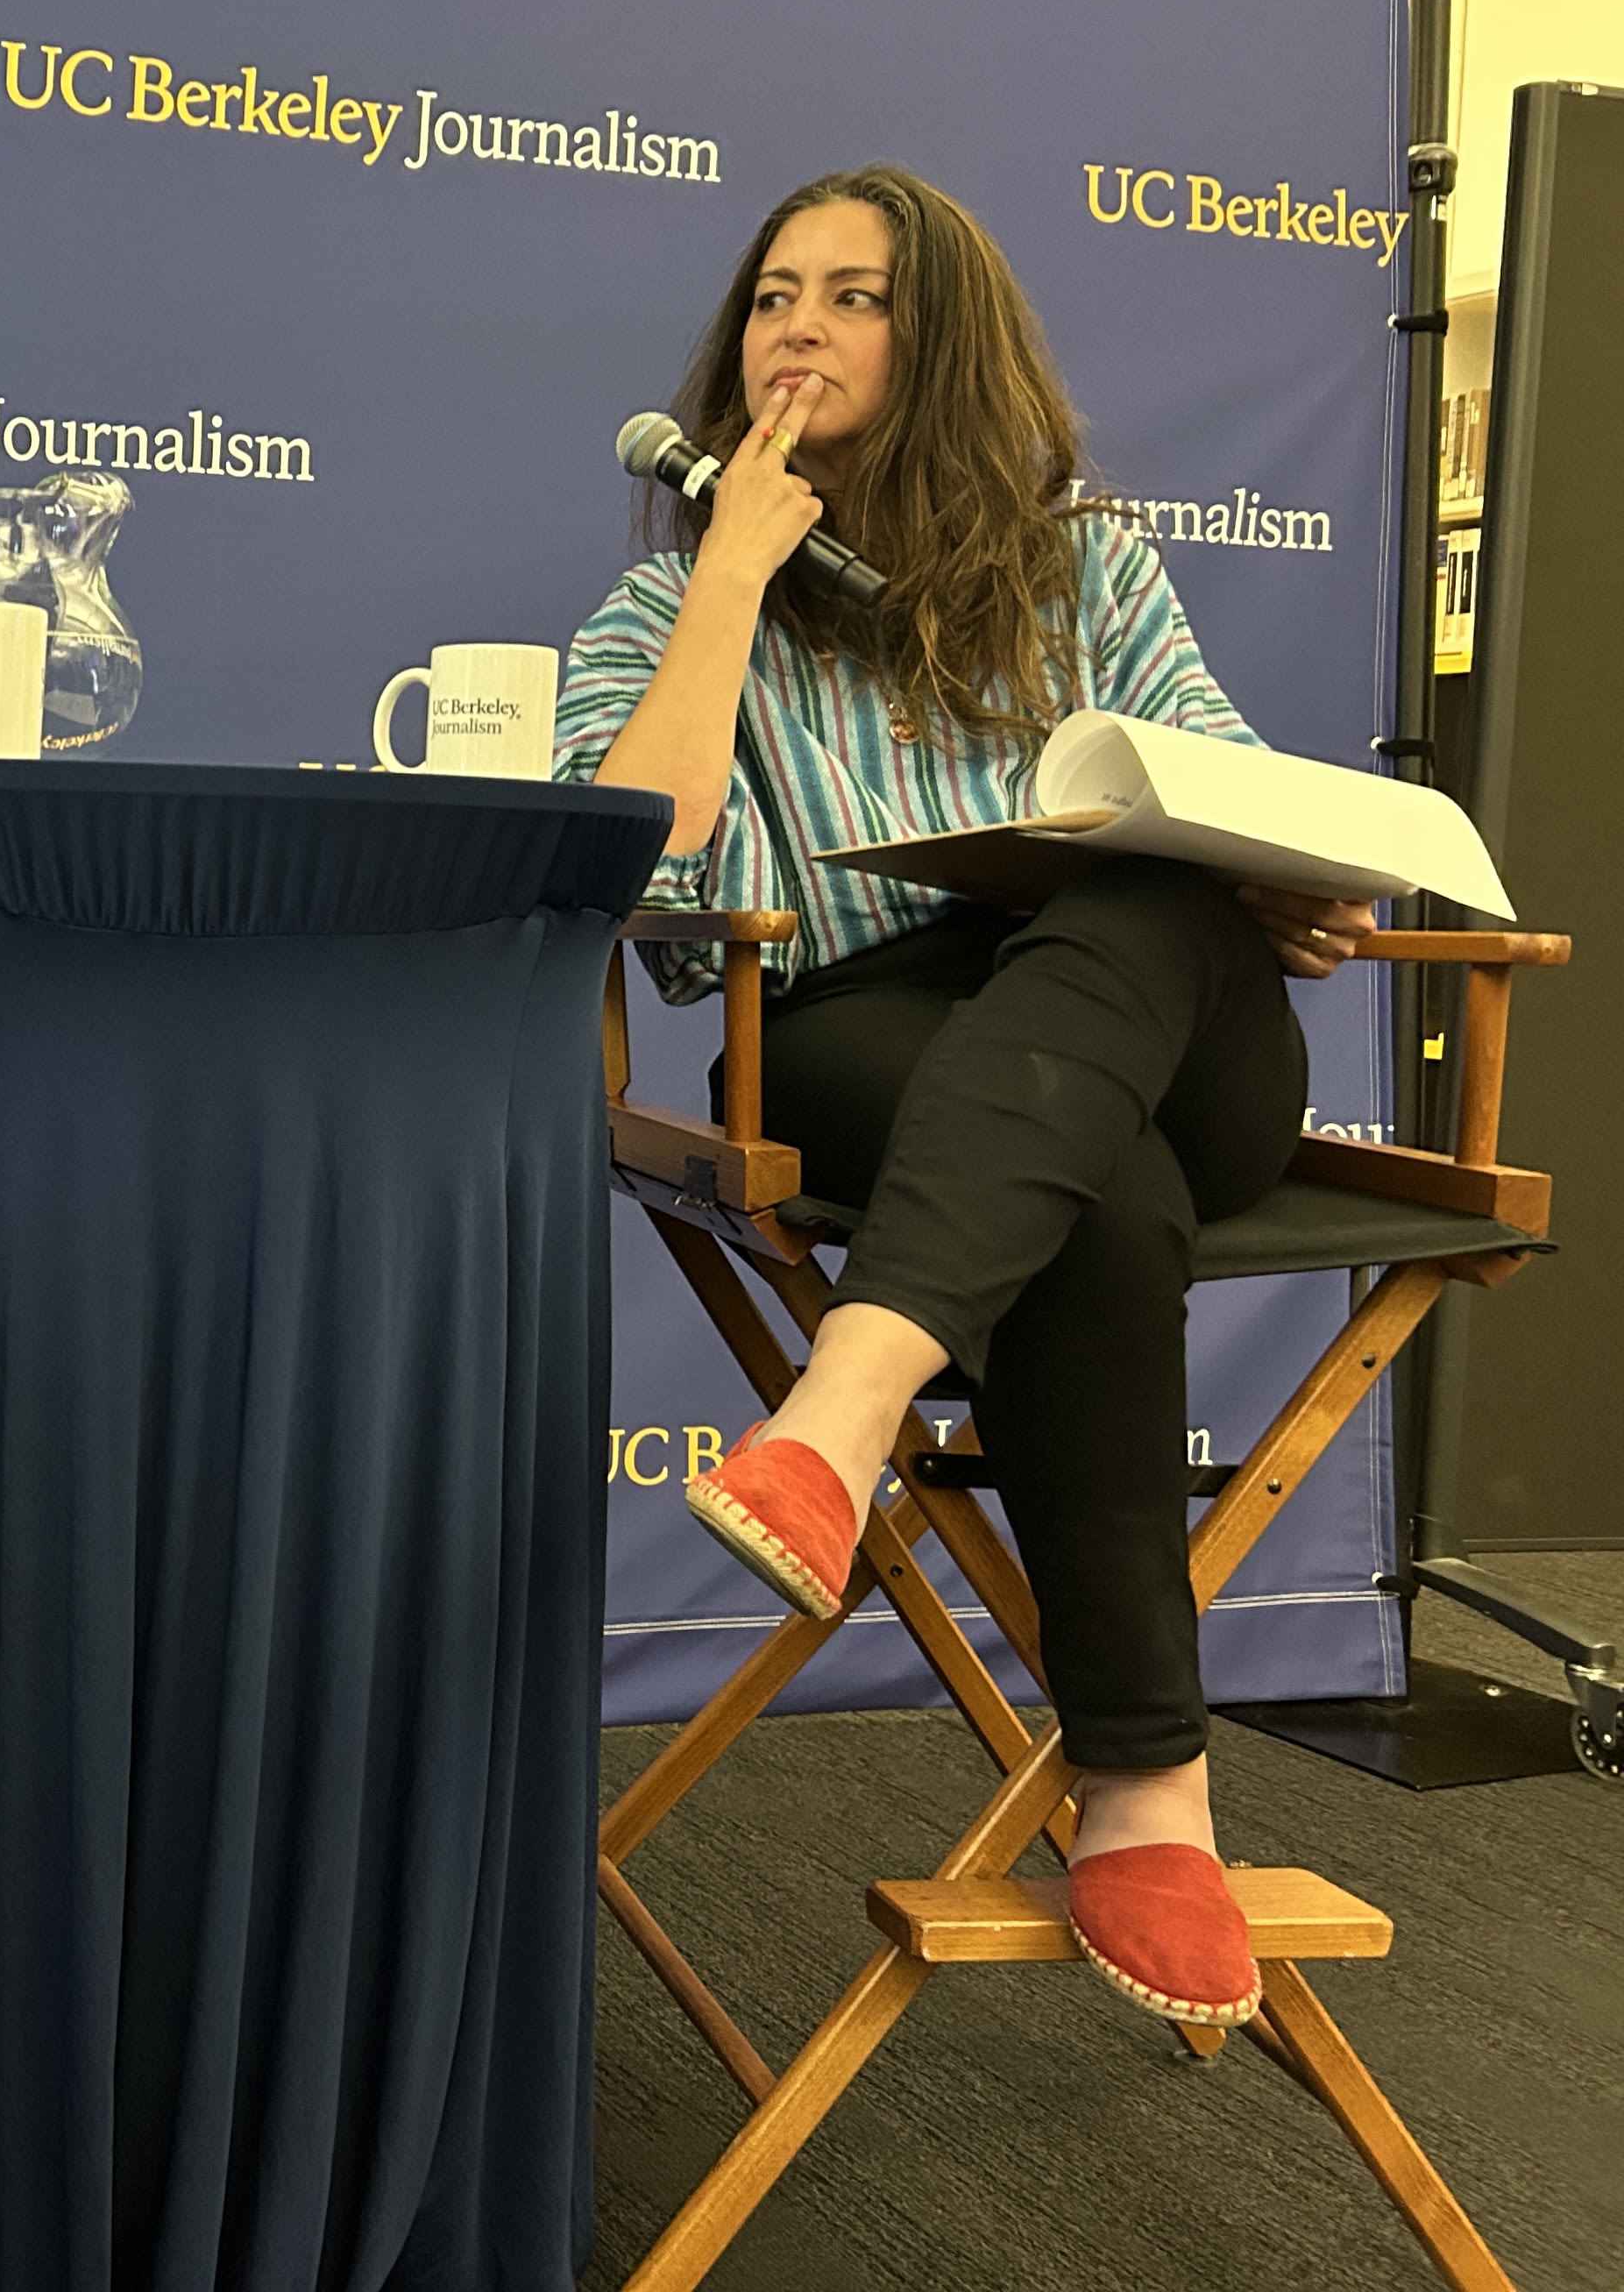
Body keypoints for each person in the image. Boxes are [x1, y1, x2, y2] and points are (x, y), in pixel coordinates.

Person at [553, 165, 1376, 2033]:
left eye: (853, 295)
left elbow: (1232, 790)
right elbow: (642, 864)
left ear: (942, 343)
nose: (800, 329)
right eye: (775, 295)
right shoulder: (676, 600)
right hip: (872, 1025)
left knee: (1144, 878)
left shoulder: (1092, 569)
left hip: (1182, 1035)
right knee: (1085, 1197)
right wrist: (734, 581)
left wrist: (1296, 879)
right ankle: (1151, 1798)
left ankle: (847, 1398)